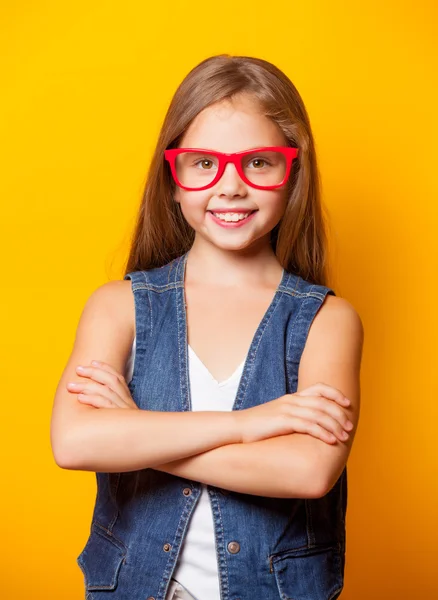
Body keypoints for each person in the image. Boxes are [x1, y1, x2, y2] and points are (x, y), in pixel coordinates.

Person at [50, 54, 363, 600]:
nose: (231, 186)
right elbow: (75, 441)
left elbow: (308, 471)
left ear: (293, 175)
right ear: (173, 179)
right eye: (203, 163)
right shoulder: (118, 306)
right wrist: (249, 425)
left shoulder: (327, 321)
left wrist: (137, 433)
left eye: (258, 163)